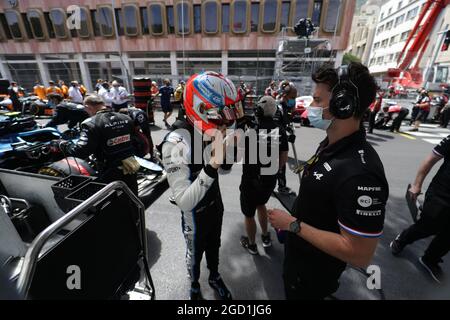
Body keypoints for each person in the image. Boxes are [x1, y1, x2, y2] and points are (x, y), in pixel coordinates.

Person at [268, 63, 388, 300]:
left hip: (311, 276)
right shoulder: (332, 144)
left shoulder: (360, 172)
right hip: (299, 259)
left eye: (316, 100)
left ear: (342, 105)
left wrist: (293, 225)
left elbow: (359, 254)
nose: (309, 108)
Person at [160, 71, 240, 300]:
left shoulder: (208, 128)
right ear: (200, 108)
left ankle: (214, 275)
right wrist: (214, 162)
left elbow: (225, 170)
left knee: (215, 246)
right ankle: (194, 284)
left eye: (228, 114)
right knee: (194, 255)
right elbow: (184, 201)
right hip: (194, 213)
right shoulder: (174, 143)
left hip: (215, 203)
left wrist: (225, 151)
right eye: (220, 115)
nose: (225, 122)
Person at [51, 95, 140, 195]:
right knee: (133, 197)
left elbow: (80, 152)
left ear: (88, 107)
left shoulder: (90, 123)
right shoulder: (126, 117)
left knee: (114, 201)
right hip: (130, 167)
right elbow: (136, 140)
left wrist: (63, 144)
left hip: (109, 171)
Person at [390, 135, 450, 283]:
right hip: (442, 194)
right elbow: (430, 159)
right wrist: (417, 185)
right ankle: (402, 239)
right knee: (429, 226)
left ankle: (430, 259)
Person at [239, 96, 289, 255]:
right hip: (269, 180)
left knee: (248, 215)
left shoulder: (251, 132)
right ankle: (266, 236)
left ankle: (252, 245)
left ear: (258, 111)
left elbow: (238, 155)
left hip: (250, 181)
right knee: (261, 205)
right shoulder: (280, 130)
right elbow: (283, 158)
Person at [275, 81, 297, 195]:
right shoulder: (277, 107)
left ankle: (281, 186)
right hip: (274, 140)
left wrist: (289, 130)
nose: (294, 100)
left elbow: (285, 122)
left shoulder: (286, 106)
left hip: (281, 138)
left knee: (281, 164)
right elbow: (275, 126)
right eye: (292, 97)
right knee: (275, 164)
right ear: (285, 95)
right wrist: (287, 135)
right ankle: (269, 186)